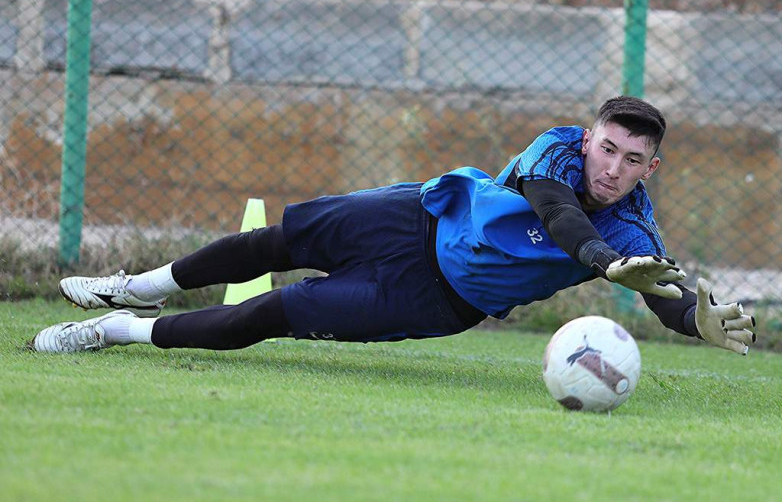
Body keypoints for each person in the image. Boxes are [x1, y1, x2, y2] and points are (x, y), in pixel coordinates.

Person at [31, 96, 756, 356]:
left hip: (438, 300)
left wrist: (696, 319)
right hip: (416, 214)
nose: (613, 167)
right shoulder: (558, 149)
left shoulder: (636, 227)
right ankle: (131, 287)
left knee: (273, 311)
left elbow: (663, 290)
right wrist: (599, 260)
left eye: (633, 160)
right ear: (591, 137)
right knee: (272, 243)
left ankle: (113, 331)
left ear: (649, 170)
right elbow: (555, 209)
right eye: (608, 148)